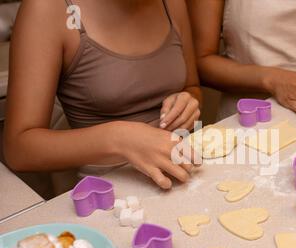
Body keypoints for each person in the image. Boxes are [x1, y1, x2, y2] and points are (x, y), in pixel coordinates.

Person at [4, 0, 201, 190]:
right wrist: (118, 138)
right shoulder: (48, 8)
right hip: (113, 194)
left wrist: (188, 103)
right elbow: (18, 149)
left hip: (186, 172)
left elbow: (192, 87)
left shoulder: (172, 3)